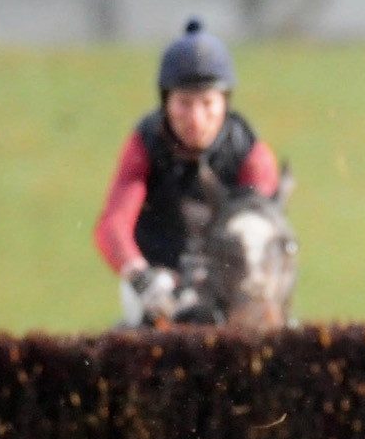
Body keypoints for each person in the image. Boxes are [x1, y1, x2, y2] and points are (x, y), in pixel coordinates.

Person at [93, 19, 283, 326]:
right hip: (158, 286)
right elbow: (113, 225)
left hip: (231, 286)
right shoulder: (146, 143)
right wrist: (141, 277)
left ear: (225, 103)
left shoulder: (250, 153)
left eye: (207, 103)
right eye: (184, 103)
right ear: (165, 102)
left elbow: (262, 235)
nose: (196, 119)